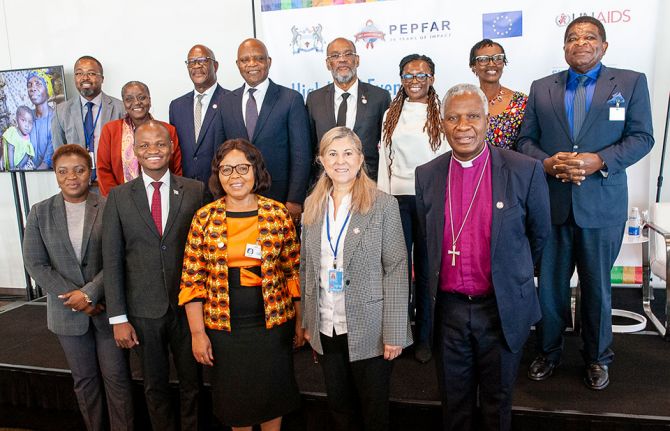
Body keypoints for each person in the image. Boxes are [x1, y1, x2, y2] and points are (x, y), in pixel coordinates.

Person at [518, 16, 654, 390]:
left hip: (602, 206)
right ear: (564, 48)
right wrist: (546, 162)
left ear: (604, 46)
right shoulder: (542, 87)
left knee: (596, 287)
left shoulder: (629, 82)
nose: (581, 42)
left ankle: (597, 358)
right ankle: (548, 352)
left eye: (590, 37)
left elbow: (643, 137)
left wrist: (601, 160)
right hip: (553, 204)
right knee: (550, 287)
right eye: (573, 38)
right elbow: (525, 140)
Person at [415, 84, 550, 431]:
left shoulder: (525, 169)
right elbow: (425, 241)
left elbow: (539, 236)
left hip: (500, 308)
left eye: (473, 116)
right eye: (453, 118)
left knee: (497, 404)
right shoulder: (427, 174)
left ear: (488, 120)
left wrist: (510, 274)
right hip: (449, 312)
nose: (463, 126)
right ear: (441, 123)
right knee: (453, 405)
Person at [179, 139, 303, 430]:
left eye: (243, 168)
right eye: (226, 169)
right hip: (224, 329)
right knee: (237, 405)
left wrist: (301, 320)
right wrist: (197, 333)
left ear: (256, 171)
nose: (235, 176)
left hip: (273, 326)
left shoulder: (277, 214)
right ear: (217, 175)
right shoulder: (204, 218)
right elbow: (192, 280)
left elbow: (293, 271)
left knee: (273, 396)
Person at [301, 126, 412, 431]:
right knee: (339, 407)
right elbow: (306, 267)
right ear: (321, 160)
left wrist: (394, 332)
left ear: (361, 158)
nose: (341, 161)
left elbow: (397, 268)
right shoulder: (312, 206)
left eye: (348, 153)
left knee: (373, 411)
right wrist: (308, 323)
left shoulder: (383, 205)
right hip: (326, 326)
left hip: (370, 329)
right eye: (332, 154)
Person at [22, 144, 134, 431]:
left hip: (107, 309)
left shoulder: (110, 206)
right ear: (56, 175)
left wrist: (90, 293)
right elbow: (36, 263)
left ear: (90, 172)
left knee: (118, 380)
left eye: (79, 170)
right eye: (63, 171)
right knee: (84, 381)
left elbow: (119, 257)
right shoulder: (40, 212)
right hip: (66, 315)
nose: (72, 177)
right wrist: (77, 299)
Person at [102, 120, 205, 431]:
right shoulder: (119, 197)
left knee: (193, 385)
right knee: (154, 386)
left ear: (171, 147)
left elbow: (207, 253)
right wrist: (118, 317)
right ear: (135, 152)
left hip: (189, 308)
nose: (153, 151)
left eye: (159, 144)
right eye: (144, 146)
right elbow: (112, 258)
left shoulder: (195, 190)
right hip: (143, 310)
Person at [377, 54, 447, 363]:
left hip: (432, 200)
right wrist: (383, 199)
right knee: (398, 270)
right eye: (408, 75)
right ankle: (399, 334)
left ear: (432, 78)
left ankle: (426, 339)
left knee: (429, 270)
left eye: (421, 75)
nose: (414, 81)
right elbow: (383, 163)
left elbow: (447, 162)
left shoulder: (443, 112)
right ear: (401, 79)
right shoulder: (391, 113)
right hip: (397, 201)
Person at [220, 38, 311, 222]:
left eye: (258, 58)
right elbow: (221, 154)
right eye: (245, 60)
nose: (252, 64)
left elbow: (301, 154)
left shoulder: (290, 99)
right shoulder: (226, 101)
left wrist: (294, 199)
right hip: (237, 198)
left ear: (268, 62)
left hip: (280, 197)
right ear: (238, 65)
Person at [305, 37, 391, 182]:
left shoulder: (380, 97)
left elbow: (387, 146)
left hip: (368, 181)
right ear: (328, 64)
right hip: (326, 183)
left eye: (348, 54)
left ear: (357, 60)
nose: (342, 60)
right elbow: (311, 146)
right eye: (335, 56)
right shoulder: (314, 99)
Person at [97, 81, 183, 196]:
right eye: (129, 99)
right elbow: (103, 170)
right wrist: (116, 200)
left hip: (162, 196)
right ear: (124, 103)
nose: (136, 103)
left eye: (142, 97)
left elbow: (176, 169)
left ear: (150, 100)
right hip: (121, 199)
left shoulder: (167, 129)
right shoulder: (110, 130)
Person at [52, 56, 125, 179]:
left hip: (113, 183)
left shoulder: (120, 108)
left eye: (91, 73)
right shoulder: (61, 111)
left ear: (102, 79)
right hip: (77, 184)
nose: (85, 78)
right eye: (79, 73)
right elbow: (59, 154)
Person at [169, 44, 227, 187]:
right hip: (185, 190)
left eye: (202, 60)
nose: (196, 66)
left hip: (220, 189)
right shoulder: (177, 106)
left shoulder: (231, 101)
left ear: (215, 65)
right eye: (191, 62)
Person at [469, 39, 527, 151]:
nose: (491, 64)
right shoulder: (465, 103)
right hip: (474, 167)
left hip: (512, 166)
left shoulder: (520, 102)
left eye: (497, 58)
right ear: (473, 66)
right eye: (483, 60)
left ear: (503, 63)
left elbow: (528, 143)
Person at [27, 70, 55, 168]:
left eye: (38, 84)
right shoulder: (26, 117)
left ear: (48, 89)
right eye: (29, 85)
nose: (32, 88)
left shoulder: (56, 117)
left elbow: (49, 157)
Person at [2, 106, 35, 170]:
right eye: (23, 120)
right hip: (10, 164)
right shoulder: (13, 132)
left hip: (20, 166)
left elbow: (27, 154)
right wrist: (12, 167)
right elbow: (10, 150)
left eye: (30, 122)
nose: (27, 125)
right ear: (16, 119)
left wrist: (20, 166)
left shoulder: (28, 138)